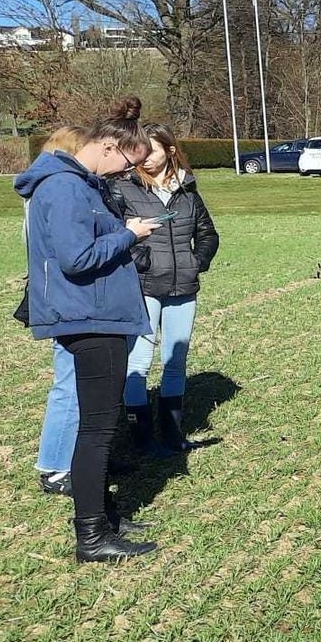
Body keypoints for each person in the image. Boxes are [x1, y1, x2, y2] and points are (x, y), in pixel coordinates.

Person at [15, 99, 160, 562]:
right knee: (97, 429)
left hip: (100, 314)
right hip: (89, 316)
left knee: (100, 423)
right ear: (109, 146)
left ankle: (106, 516)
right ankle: (92, 538)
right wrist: (128, 235)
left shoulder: (79, 186)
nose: (124, 174)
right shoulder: (64, 189)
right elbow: (77, 259)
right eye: (126, 164)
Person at [113, 122, 220, 454]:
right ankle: (142, 439)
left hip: (183, 287)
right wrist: (140, 261)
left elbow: (208, 234)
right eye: (140, 149)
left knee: (175, 360)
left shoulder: (188, 191)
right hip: (144, 286)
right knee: (139, 361)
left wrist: (194, 262)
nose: (144, 156)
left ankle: (173, 436)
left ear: (170, 151)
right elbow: (115, 235)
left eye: (152, 149)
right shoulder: (123, 188)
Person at [29, 125, 88, 497]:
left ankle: (73, 457)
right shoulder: (58, 189)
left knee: (76, 384)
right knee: (68, 386)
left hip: (63, 298)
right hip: (66, 300)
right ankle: (54, 466)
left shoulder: (46, 185)